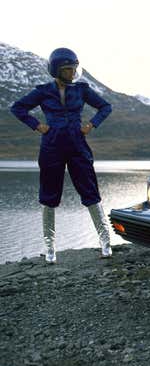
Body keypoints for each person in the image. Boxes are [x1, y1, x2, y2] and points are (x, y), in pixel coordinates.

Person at [10, 47, 113, 263]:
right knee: (49, 195)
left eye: (74, 68)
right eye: (68, 69)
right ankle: (50, 248)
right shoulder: (43, 91)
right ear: (57, 69)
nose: (72, 72)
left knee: (90, 191)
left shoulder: (82, 90)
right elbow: (18, 108)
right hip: (51, 146)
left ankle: (105, 242)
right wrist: (38, 126)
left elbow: (105, 106)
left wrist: (91, 125)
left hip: (78, 145)